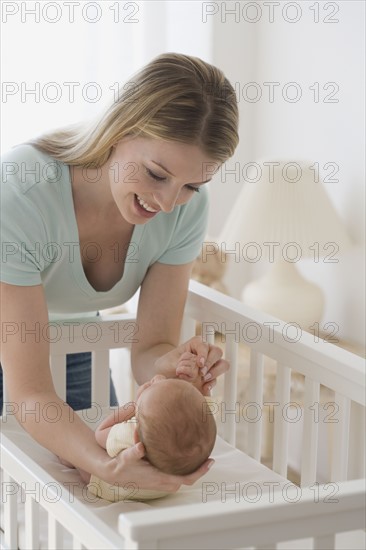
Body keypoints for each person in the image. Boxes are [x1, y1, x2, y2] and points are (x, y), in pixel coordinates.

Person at [0, 52, 239, 493]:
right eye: (156, 174)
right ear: (119, 128)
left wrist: (172, 366)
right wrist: (102, 463)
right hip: (11, 353)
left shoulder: (188, 212)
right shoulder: (21, 191)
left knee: (102, 492)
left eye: (190, 186)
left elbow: (151, 346)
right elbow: (31, 391)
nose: (167, 204)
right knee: (20, 501)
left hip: (78, 348)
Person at [69, 353, 217, 502]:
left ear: (136, 437)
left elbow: (100, 434)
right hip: (160, 490)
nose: (157, 378)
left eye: (149, 388)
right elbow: (200, 400)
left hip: (111, 487)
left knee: (83, 461)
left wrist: (133, 405)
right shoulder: (198, 423)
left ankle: (68, 460)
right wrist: (196, 378)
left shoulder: (130, 432)